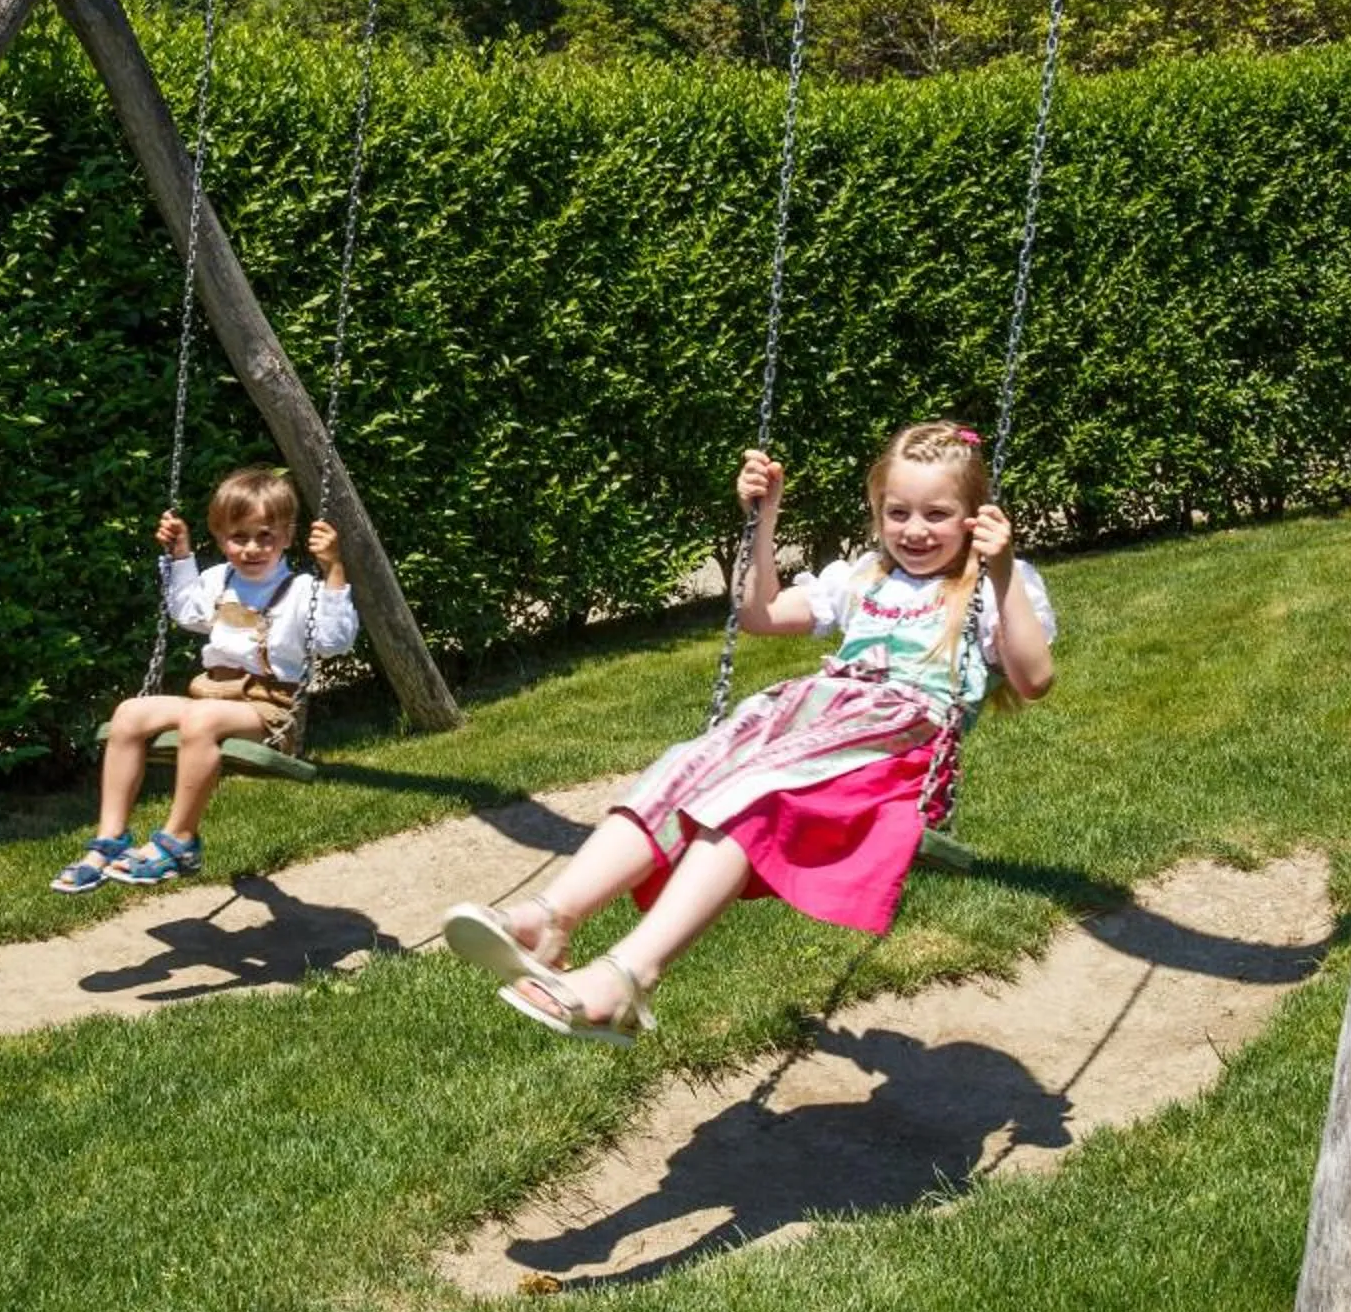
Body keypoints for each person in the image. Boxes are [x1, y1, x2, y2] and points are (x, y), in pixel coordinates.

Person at [442, 422, 1056, 1040]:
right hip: (810, 715)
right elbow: (759, 614)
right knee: (688, 766)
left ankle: (627, 976)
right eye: (898, 512)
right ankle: (551, 918)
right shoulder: (863, 577)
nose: (915, 530)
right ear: (877, 511)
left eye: (938, 514)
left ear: (977, 518)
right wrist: (763, 520)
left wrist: (999, 572)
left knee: (753, 794)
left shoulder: (993, 584)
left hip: (896, 736)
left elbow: (1033, 679)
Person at [50, 465, 358, 892]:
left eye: (265, 536)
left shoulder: (303, 589)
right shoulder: (219, 580)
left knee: (200, 721)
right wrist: (180, 555)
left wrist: (334, 570)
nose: (251, 548)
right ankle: (109, 839)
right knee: (129, 713)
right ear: (220, 537)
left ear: (288, 536)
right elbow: (185, 611)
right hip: (212, 694)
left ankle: (180, 840)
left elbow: (335, 640)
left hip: (268, 708)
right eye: (238, 537)